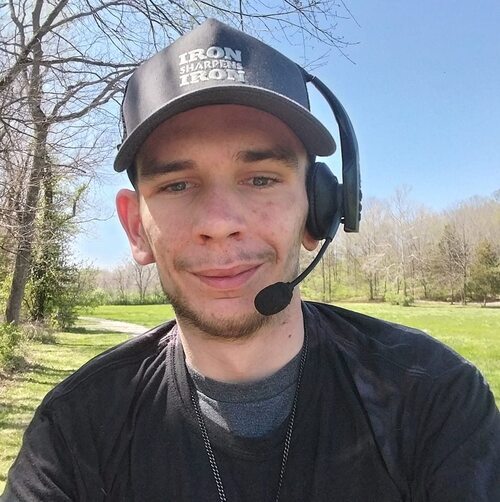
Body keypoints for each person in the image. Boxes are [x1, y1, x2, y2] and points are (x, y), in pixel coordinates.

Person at [2, 18, 499, 502]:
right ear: (137, 228)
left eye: (261, 179)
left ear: (320, 208)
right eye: (177, 184)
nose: (219, 222)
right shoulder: (75, 432)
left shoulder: (434, 398)